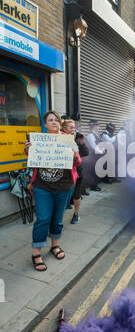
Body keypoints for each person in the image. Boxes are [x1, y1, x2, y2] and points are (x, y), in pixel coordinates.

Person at [25, 110, 82, 272]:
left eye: (56, 120)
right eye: (50, 120)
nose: (54, 122)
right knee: (43, 218)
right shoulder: (38, 140)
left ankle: (54, 245)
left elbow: (78, 162)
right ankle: (36, 252)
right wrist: (28, 150)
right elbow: (31, 158)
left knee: (57, 218)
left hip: (63, 187)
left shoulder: (67, 139)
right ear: (45, 124)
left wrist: (73, 155)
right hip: (42, 187)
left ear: (59, 122)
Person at [62, 119, 89, 224]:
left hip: (78, 170)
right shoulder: (61, 138)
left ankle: (76, 214)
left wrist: (81, 143)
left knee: (77, 194)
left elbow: (86, 152)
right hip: (67, 172)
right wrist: (70, 140)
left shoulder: (76, 139)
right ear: (64, 129)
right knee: (64, 195)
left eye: (74, 127)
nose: (73, 129)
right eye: (71, 127)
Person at [85, 120, 103, 191]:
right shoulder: (90, 135)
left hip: (97, 155)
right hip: (93, 156)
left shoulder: (95, 134)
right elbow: (93, 146)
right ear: (94, 126)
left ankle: (95, 184)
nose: (98, 127)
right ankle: (93, 186)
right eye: (97, 125)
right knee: (93, 171)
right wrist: (101, 151)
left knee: (96, 170)